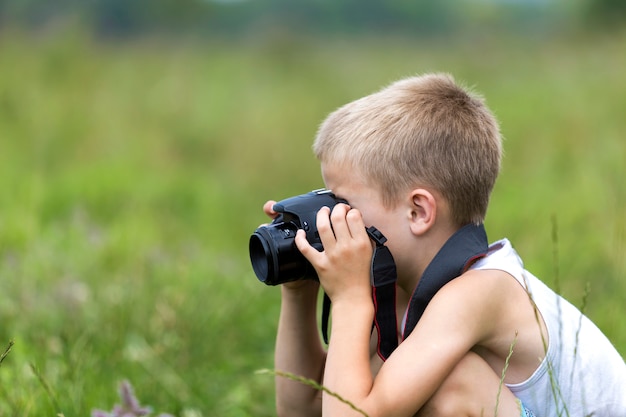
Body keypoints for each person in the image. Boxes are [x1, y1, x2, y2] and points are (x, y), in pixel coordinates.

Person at [262, 73, 626, 417]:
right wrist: (299, 291)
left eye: (345, 205)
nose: (332, 218)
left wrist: (349, 299)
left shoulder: (481, 292)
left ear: (419, 212)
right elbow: (306, 407)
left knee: (450, 384)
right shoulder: (401, 293)